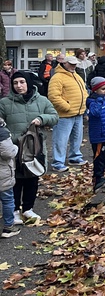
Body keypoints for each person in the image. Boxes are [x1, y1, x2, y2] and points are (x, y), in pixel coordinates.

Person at [0, 71, 58, 223]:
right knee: (15, 180)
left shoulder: (42, 101)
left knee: (32, 178)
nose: (19, 86)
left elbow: (54, 117)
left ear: (28, 83)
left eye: (22, 82)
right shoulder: (5, 103)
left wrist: (41, 118)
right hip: (14, 149)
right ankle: (14, 211)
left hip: (34, 148)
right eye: (15, 83)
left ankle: (28, 209)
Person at [47, 55, 88, 172]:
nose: (74, 66)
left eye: (75, 64)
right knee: (61, 139)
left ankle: (74, 157)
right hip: (65, 114)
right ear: (64, 63)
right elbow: (53, 96)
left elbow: (84, 91)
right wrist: (67, 107)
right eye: (71, 63)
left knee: (77, 138)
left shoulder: (76, 76)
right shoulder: (57, 77)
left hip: (77, 112)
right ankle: (58, 162)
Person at [0, 117, 19, 238]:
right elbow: (8, 153)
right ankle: (9, 227)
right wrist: (16, 147)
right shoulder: (2, 133)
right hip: (3, 173)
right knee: (7, 199)